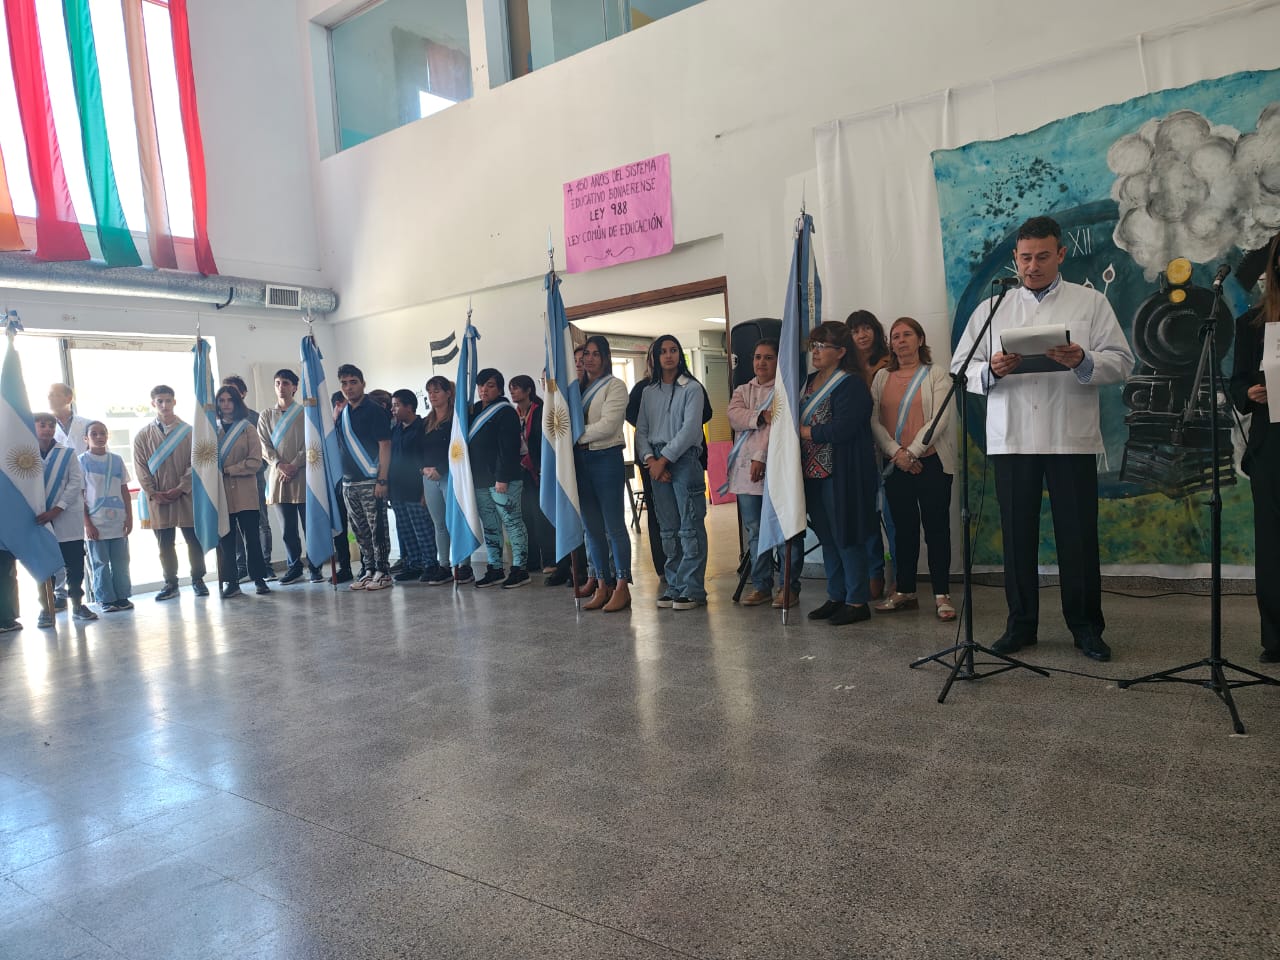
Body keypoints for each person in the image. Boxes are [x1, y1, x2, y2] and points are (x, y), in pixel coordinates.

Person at [952, 214, 1133, 662]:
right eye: (1025, 258)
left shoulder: (1089, 303)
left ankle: (1086, 627)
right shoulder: (993, 308)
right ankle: (1021, 626)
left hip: (1069, 436)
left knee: (1077, 536)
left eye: (1042, 257)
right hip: (1013, 438)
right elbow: (961, 368)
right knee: (1017, 537)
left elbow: (1122, 362)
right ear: (1015, 258)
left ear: (1061, 255)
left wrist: (1083, 359)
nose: (1032, 266)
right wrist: (991, 370)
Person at [870, 317, 955, 621]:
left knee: (936, 529)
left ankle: (942, 594)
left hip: (932, 462)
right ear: (890, 344)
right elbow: (873, 420)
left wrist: (913, 452)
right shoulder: (881, 377)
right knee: (903, 531)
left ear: (920, 339)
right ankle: (905, 591)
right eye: (895, 336)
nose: (901, 340)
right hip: (896, 465)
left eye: (907, 334)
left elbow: (940, 418)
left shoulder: (936, 374)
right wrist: (897, 453)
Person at [799, 322, 878, 626]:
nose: (816, 352)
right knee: (827, 537)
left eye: (822, 346)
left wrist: (806, 432)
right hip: (811, 473)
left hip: (842, 473)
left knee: (847, 536)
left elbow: (844, 428)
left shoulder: (851, 384)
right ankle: (836, 595)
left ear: (841, 351)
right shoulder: (808, 381)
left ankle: (857, 601)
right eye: (814, 345)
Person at [1229, 230, 1280, 664]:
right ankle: (1276, 637)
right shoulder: (1251, 324)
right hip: (1272, 444)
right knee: (1273, 545)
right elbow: (1237, 383)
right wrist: (1249, 392)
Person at [726, 338, 803, 608]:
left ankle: (788, 587)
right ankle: (761, 586)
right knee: (755, 531)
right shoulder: (742, 390)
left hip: (774, 470)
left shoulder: (785, 391)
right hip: (745, 475)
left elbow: (778, 428)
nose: (762, 362)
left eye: (768, 357)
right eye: (758, 357)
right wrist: (759, 416)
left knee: (783, 530)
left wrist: (760, 456)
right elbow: (734, 415)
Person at [635, 334, 708, 610]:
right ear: (655, 357)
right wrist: (651, 459)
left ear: (680, 355)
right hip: (656, 460)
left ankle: (693, 589)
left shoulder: (692, 388)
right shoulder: (648, 392)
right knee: (668, 529)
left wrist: (664, 460)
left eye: (674, 350)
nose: (668, 355)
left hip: (683, 459)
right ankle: (674, 585)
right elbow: (641, 431)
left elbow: (690, 429)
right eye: (663, 351)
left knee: (690, 526)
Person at [133, 385, 208, 600]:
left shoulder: (190, 432)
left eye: (168, 400)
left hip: (185, 495)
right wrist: (153, 492)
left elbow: (197, 462)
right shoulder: (142, 435)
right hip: (158, 498)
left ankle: (198, 579)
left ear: (174, 402)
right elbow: (140, 468)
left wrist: (182, 487)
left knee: (193, 540)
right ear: (153, 403)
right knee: (165, 543)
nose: (164, 405)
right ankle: (170, 583)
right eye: (160, 401)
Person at [575, 336, 632, 613]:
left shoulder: (615, 386)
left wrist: (575, 435)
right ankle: (601, 584)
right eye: (586, 353)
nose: (590, 359)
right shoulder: (576, 389)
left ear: (606, 358)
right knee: (592, 528)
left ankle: (621, 586)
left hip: (606, 458)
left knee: (614, 526)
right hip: (580, 461)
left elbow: (609, 425)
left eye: (596, 354)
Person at [258, 369, 323, 584]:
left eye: (285, 383)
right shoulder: (266, 415)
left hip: (303, 475)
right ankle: (294, 566)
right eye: (277, 383)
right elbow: (264, 445)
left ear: (294, 387)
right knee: (287, 528)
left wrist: (294, 465)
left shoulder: (305, 413)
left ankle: (315, 566)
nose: (281, 387)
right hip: (278, 477)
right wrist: (280, 465)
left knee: (309, 525)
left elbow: (312, 442)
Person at [847, 310, 895, 601]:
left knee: (893, 517)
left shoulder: (891, 361)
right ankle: (874, 573)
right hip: (859, 450)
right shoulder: (846, 368)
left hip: (889, 447)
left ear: (876, 331)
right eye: (855, 331)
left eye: (866, 328)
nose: (862, 335)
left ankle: (900, 578)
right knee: (867, 517)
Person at [470, 368, 530, 589]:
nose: (484, 390)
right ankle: (495, 567)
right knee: (490, 526)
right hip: (480, 479)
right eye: (481, 385)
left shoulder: (505, 412)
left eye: (490, 385)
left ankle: (520, 569)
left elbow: (509, 448)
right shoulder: (474, 410)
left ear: (500, 388)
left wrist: (502, 477)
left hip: (504, 479)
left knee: (512, 522)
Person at [335, 364, 393, 591]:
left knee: (378, 529)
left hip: (371, 480)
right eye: (344, 383)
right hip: (349, 482)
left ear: (363, 384)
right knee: (360, 530)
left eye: (353, 382)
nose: (348, 387)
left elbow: (385, 445)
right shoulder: (343, 413)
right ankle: (368, 570)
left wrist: (382, 480)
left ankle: (383, 572)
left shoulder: (374, 410)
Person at [34, 413, 95, 627]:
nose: (48, 429)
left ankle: (77, 604)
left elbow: (75, 483)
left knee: (74, 564)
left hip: (66, 517)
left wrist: (57, 508)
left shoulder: (67, 454)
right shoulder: (26, 455)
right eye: (42, 425)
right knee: (44, 566)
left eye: (51, 425)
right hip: (40, 519)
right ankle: (47, 608)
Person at [214, 386, 271, 598]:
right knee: (226, 540)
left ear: (237, 403)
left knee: (252, 538)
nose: (226, 404)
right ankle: (232, 581)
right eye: (222, 400)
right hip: (222, 494)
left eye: (230, 400)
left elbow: (255, 462)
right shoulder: (211, 430)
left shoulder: (247, 429)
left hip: (246, 493)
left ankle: (259, 579)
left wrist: (229, 470)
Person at [420, 376, 469, 585]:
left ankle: (464, 565)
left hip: (450, 475)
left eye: (437, 391)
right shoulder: (426, 422)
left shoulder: (456, 419)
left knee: (455, 521)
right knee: (439, 524)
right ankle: (444, 565)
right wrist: (423, 468)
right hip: (429, 477)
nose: (432, 395)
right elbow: (418, 450)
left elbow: (459, 448)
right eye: (429, 391)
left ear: (448, 393)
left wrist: (441, 469)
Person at [80, 421, 134, 612]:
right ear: (86, 438)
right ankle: (105, 599)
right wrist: (87, 524)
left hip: (117, 520)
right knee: (100, 562)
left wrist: (129, 517)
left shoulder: (116, 460)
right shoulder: (81, 461)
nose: (99, 437)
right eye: (94, 434)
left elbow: (124, 490)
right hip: (96, 521)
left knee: (121, 561)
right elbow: (80, 495)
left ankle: (122, 596)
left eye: (102, 433)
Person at [48, 382, 92, 607]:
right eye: (49, 395)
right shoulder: (43, 426)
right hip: (54, 499)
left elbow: (95, 456)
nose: (50, 398)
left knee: (82, 547)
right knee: (56, 549)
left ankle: (89, 593)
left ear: (68, 398)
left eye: (55, 394)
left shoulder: (86, 425)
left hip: (87, 491)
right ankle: (58, 595)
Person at [389, 389, 439, 582]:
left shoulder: (423, 427)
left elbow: (427, 460)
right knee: (405, 530)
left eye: (396, 405)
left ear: (409, 407)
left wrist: (426, 491)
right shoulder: (395, 430)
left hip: (417, 489)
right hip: (397, 490)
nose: (393, 409)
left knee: (423, 530)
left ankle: (431, 565)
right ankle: (414, 564)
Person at [510, 375, 555, 575]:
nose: (513, 392)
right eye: (511, 388)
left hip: (538, 469)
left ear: (528, 390)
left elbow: (542, 442)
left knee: (541, 516)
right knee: (526, 516)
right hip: (520, 471)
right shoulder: (514, 414)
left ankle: (550, 559)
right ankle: (532, 560)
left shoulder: (540, 411)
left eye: (517, 388)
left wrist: (530, 461)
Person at [328, 390, 354, 582]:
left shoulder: (355, 424)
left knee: (361, 527)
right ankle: (344, 567)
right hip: (337, 484)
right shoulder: (328, 430)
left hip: (356, 481)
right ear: (338, 405)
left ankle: (369, 566)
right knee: (340, 528)